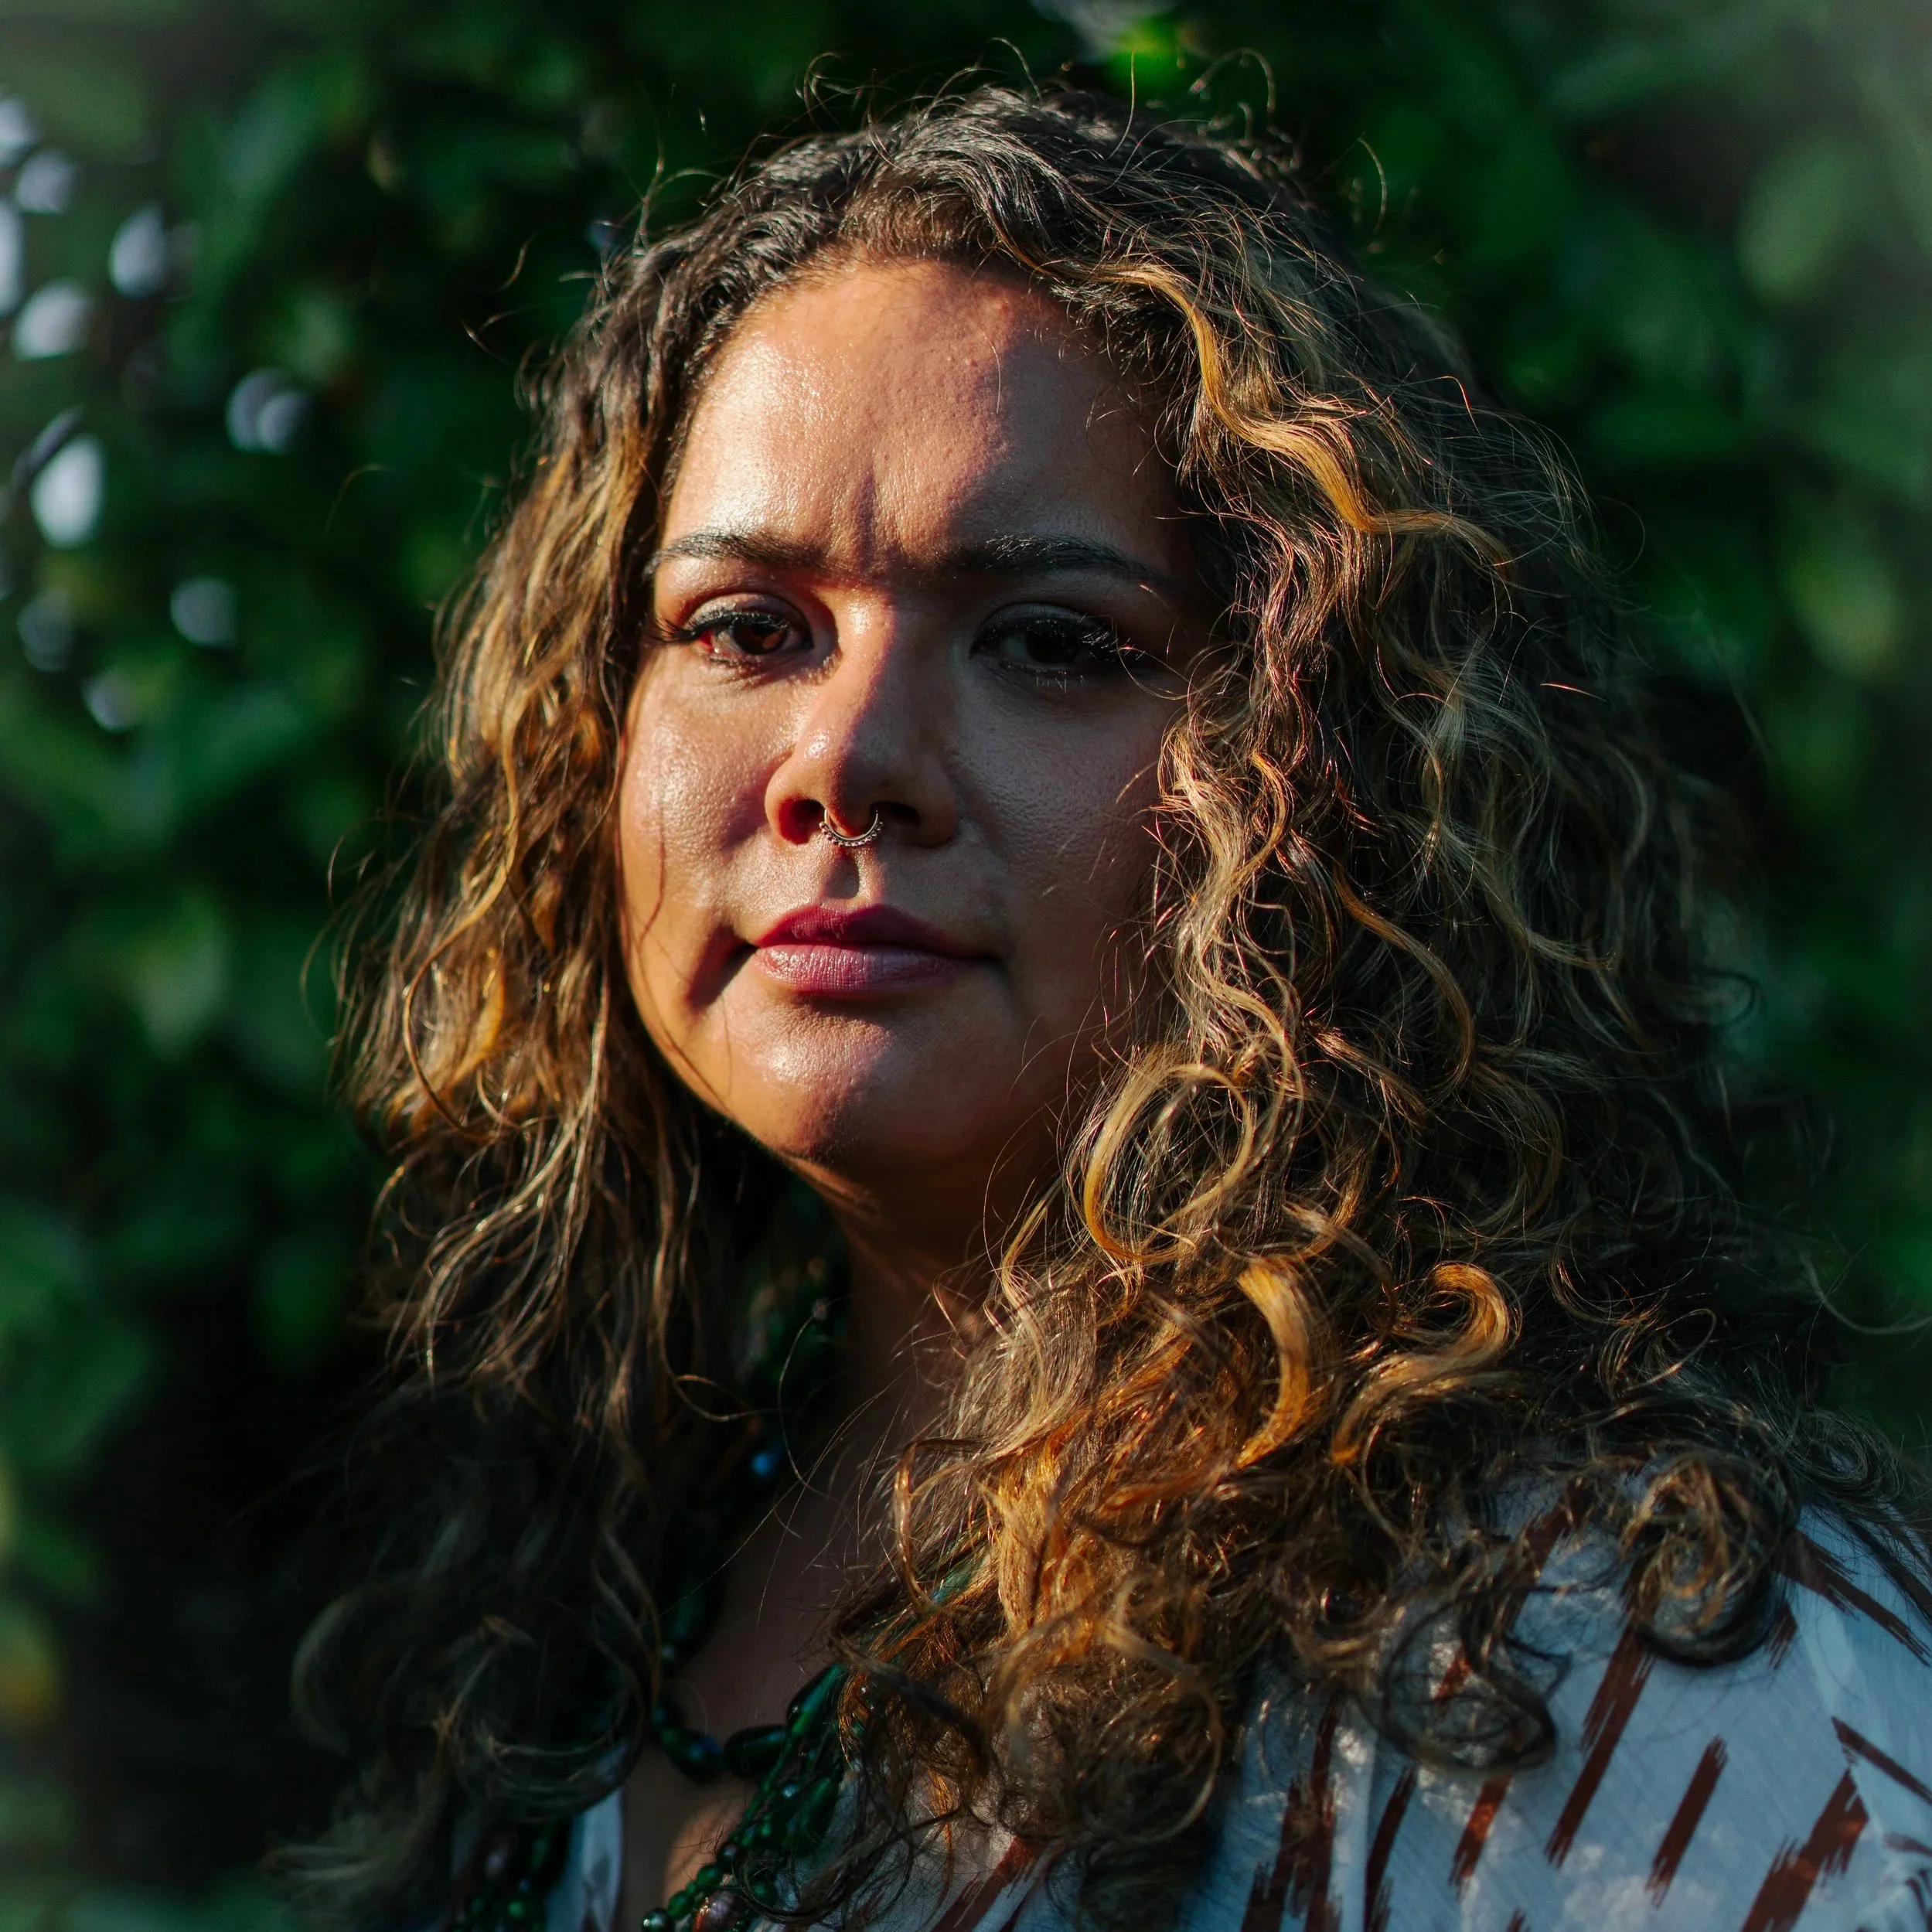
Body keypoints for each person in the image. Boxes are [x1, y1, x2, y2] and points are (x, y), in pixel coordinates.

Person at [290, 87, 1932, 1932]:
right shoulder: (597, 1554)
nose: (848, 758)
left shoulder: (1621, 1659)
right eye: (747, 626)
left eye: (1052, 644)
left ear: (1318, 784)